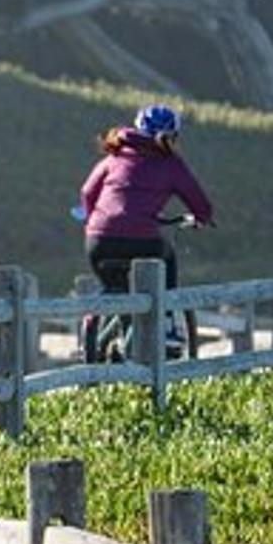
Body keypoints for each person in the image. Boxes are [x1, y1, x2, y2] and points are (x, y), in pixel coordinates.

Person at [76, 104, 215, 358]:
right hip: (142, 241)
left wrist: (91, 221)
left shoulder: (115, 157)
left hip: (98, 241)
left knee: (117, 286)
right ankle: (169, 323)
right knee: (168, 255)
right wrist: (202, 217)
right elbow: (200, 203)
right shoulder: (170, 163)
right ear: (172, 135)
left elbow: (87, 192)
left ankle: (97, 338)